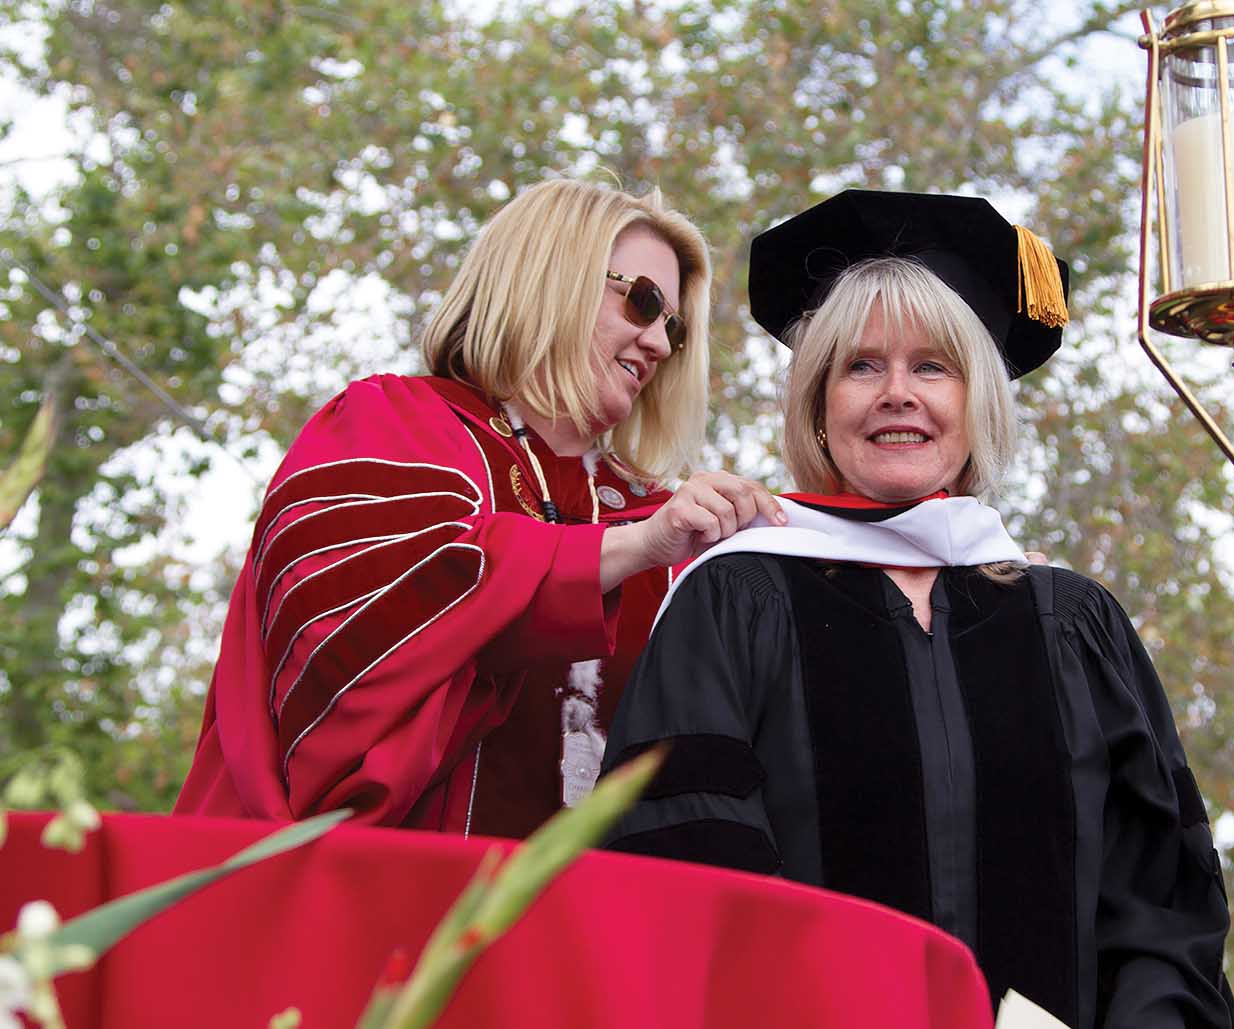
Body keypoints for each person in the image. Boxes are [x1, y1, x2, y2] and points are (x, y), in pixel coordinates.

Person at [600, 191, 1234, 1027]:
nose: (898, 392)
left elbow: (1160, 904)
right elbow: (684, 877)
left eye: (932, 366)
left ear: (978, 405)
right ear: (820, 408)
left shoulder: (1073, 624)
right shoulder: (738, 598)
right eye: (863, 366)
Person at [176, 178, 783, 837]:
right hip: (370, 901)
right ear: (551, 277)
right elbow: (349, 657)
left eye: (674, 328)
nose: (660, 345)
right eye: (642, 302)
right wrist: (626, 550)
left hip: (578, 926)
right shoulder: (391, 423)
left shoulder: (655, 515)